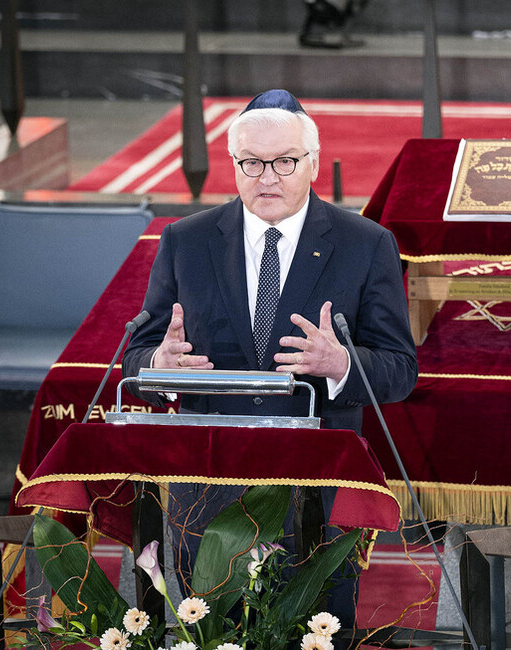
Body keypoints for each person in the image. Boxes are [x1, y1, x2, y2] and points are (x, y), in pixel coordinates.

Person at [121, 89, 418, 637]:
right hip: (207, 493)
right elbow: (135, 359)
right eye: (251, 163)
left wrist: (340, 365)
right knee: (212, 638)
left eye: (284, 161)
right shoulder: (185, 242)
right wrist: (158, 363)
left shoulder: (365, 244)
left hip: (317, 498)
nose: (267, 178)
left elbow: (400, 369)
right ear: (233, 166)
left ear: (312, 164)